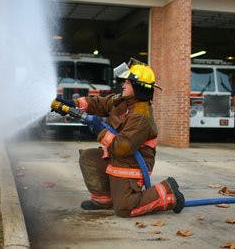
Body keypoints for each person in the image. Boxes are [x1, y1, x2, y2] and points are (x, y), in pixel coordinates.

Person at [53, 59, 185, 217]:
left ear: (138, 86)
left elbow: (122, 147)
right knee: (89, 158)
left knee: (124, 209)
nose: (123, 85)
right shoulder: (123, 101)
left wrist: (99, 130)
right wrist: (73, 104)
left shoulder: (141, 116)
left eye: (128, 83)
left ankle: (169, 192)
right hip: (119, 157)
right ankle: (104, 201)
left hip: (132, 164)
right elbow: (101, 103)